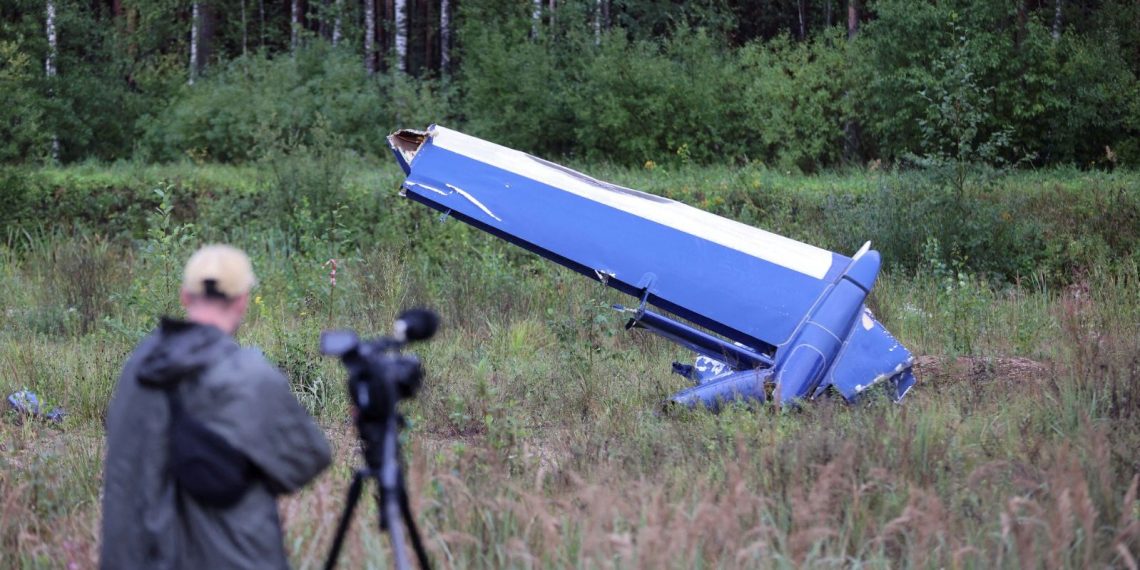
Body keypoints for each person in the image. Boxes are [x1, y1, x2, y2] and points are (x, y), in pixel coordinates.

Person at [101, 244, 331, 569]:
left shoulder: (137, 368)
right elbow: (306, 460)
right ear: (242, 301)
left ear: (185, 296)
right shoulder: (249, 375)